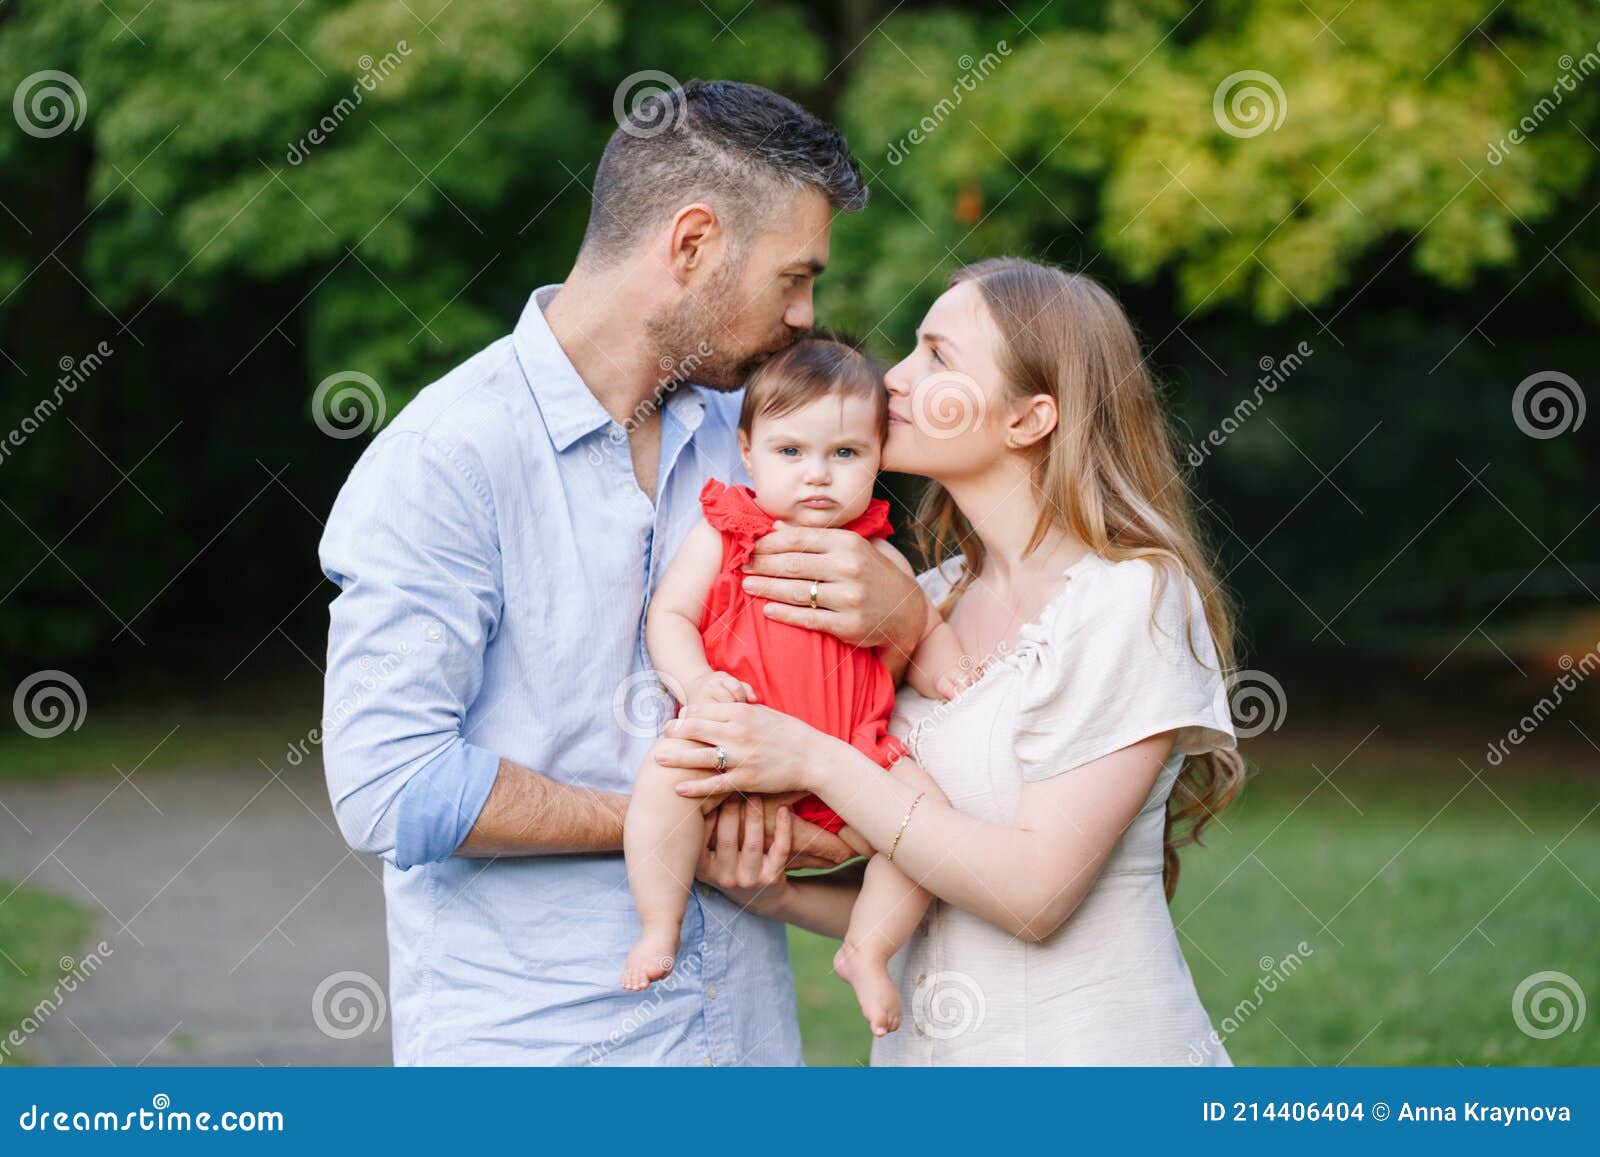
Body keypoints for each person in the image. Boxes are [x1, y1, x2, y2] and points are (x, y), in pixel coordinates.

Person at [317, 80, 926, 1065]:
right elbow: (392, 784)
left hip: (745, 1043)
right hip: (546, 1051)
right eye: (793, 277)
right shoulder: (447, 456)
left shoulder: (762, 443)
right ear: (690, 245)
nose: (807, 313)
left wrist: (896, 615)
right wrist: (676, 814)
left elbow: (856, 691)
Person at [660, 257, 1245, 1065]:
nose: (892, 377)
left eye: (936, 357)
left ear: (1028, 419)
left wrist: (812, 758)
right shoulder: (923, 596)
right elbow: (934, 889)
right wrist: (779, 891)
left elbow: (1034, 895)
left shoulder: (1131, 600)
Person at [621, 335, 964, 1039]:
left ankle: (867, 949)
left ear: (877, 457)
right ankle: (660, 922)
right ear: (746, 450)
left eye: (845, 454)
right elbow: (671, 614)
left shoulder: (878, 553)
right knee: (663, 780)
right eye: (791, 452)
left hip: (854, 757)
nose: (818, 475)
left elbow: (921, 634)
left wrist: (948, 667)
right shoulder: (726, 532)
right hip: (735, 740)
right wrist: (696, 681)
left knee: (929, 823)